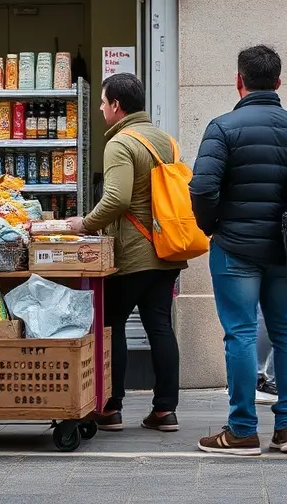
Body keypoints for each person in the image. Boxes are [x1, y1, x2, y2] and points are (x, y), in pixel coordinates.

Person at [189, 45, 287, 456]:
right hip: (286, 252)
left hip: (235, 248)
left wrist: (214, 228)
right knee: (285, 331)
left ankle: (242, 430)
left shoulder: (222, 127)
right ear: (278, 83)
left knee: (240, 333)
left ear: (239, 81)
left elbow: (203, 188)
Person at [66, 73, 187, 432]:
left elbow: (117, 199)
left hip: (134, 254)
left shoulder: (121, 143)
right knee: (160, 327)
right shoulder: (166, 141)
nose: (102, 109)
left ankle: (110, 406)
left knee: (110, 324)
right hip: (166, 250)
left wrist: (84, 224)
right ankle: (165, 409)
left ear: (117, 106)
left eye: (103, 103)